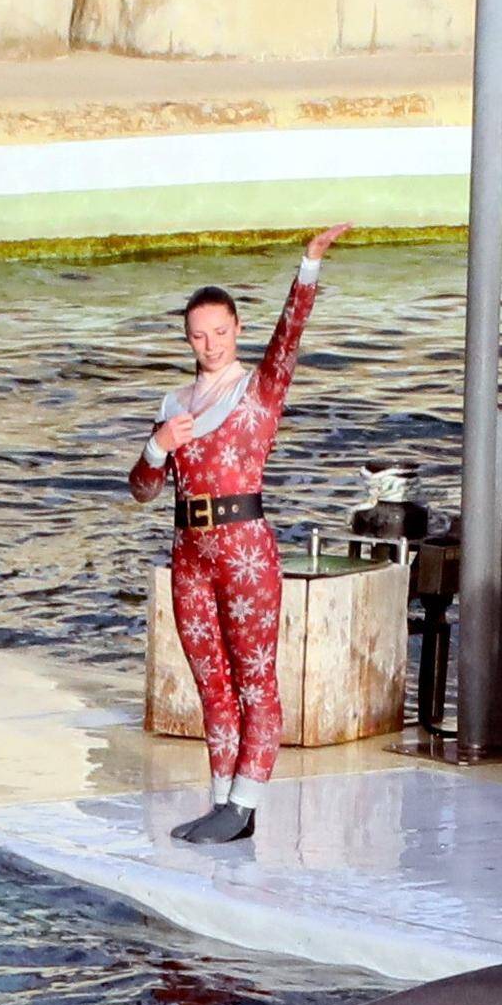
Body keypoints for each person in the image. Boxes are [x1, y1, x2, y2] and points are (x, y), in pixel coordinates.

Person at [131, 223, 354, 846]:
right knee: (212, 684)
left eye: (221, 333)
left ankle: (247, 800)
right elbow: (143, 489)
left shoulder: (258, 389)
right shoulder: (173, 402)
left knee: (256, 675)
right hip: (189, 553)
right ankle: (223, 800)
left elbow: (289, 340)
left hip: (244, 547)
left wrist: (307, 267)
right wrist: (157, 445)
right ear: (187, 338)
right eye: (199, 336)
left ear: (236, 332)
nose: (210, 344)